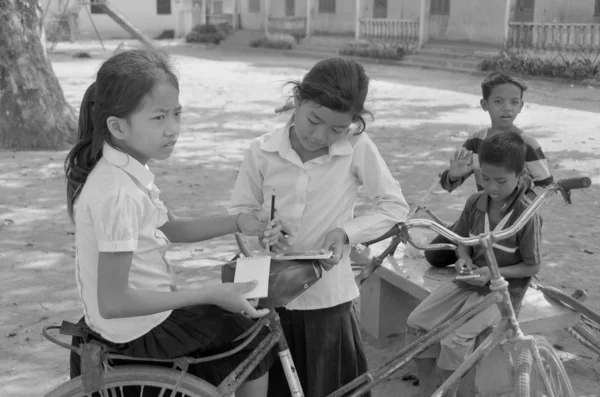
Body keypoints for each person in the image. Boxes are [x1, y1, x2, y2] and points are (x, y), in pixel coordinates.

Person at [64, 49, 282, 397]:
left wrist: (240, 222)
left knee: (230, 321)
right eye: (159, 118)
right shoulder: (118, 193)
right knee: (251, 332)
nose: (173, 129)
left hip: (131, 321)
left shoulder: (126, 172)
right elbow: (114, 301)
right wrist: (211, 293)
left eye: (177, 114)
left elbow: (171, 228)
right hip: (135, 328)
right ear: (117, 126)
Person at [228, 57, 410, 397]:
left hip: (325, 298)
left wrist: (345, 234)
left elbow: (394, 207)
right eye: (313, 120)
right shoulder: (262, 150)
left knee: (328, 386)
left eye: (337, 129)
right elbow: (240, 212)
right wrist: (261, 226)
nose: (319, 135)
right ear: (297, 101)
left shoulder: (356, 149)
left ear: (354, 124)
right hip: (261, 288)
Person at [406, 131, 543, 397]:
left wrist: (493, 272)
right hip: (470, 283)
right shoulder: (475, 202)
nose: (492, 187)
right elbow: (463, 240)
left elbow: (532, 267)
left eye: (501, 181)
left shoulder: (527, 213)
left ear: (520, 175)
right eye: (485, 178)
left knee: (455, 338)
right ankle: (427, 390)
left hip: (503, 292)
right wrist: (464, 258)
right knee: (416, 322)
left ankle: (453, 392)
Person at [427, 71, 552, 268]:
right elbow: (447, 185)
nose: (507, 108)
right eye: (499, 101)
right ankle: (468, 252)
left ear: (521, 106)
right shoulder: (476, 141)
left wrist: (523, 206)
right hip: (480, 214)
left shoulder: (527, 143)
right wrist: (453, 175)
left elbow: (547, 184)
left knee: (502, 261)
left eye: (514, 102)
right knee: (434, 256)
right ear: (485, 105)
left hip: (513, 219)